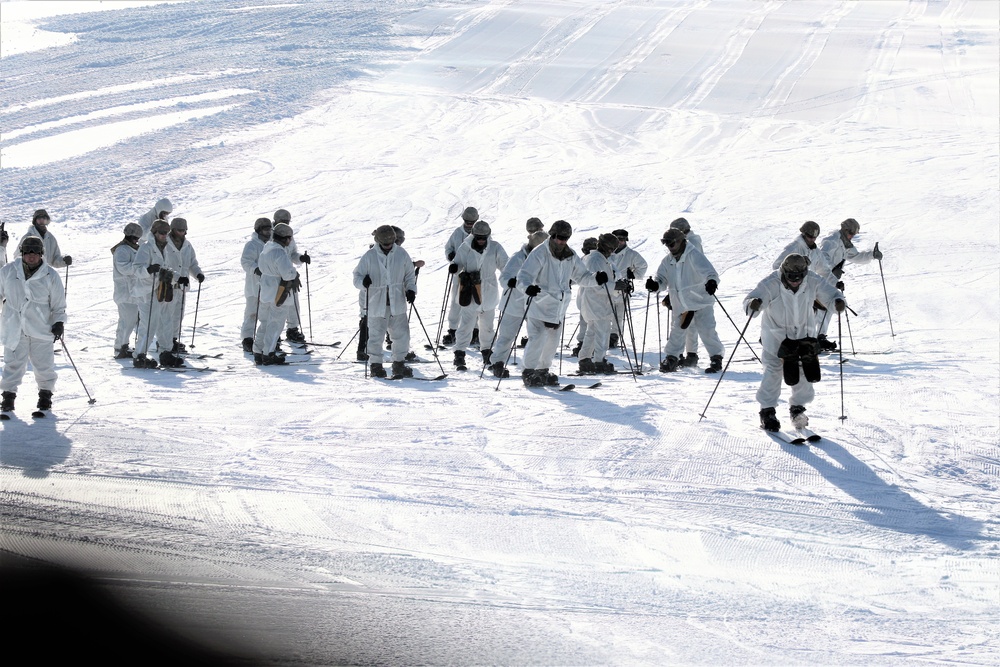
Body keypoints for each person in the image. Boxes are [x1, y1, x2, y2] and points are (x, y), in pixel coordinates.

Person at [744, 253, 845, 432]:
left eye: (799, 278)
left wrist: (838, 301)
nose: (795, 281)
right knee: (773, 372)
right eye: (791, 278)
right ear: (784, 272)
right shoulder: (771, 283)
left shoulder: (812, 280)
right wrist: (753, 304)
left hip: (803, 337)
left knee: (804, 372)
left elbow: (831, 294)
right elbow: (751, 300)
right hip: (775, 338)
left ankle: (797, 409)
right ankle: (767, 412)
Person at [516, 220, 607, 387]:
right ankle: (528, 371)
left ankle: (542, 370)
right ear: (552, 235)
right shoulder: (539, 253)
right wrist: (528, 287)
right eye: (559, 237)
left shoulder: (570, 256)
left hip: (558, 307)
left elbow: (582, 276)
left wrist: (596, 279)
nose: (561, 241)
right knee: (537, 338)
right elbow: (524, 276)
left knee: (552, 341)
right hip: (539, 304)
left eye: (565, 238)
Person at [1, 236, 67, 416]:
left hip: (41, 326)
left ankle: (45, 397)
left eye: (35, 252)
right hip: (14, 325)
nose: (31, 256)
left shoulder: (50, 275)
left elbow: (59, 303)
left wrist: (59, 321)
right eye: (27, 252)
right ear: (22, 252)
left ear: (41, 254)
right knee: (12, 364)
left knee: (43, 364)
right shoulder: (8, 271)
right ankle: (8, 397)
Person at [645, 228, 724, 373]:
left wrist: (712, 282)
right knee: (677, 332)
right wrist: (655, 285)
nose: (669, 247)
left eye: (671, 243)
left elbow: (710, 272)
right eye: (666, 243)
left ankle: (716, 358)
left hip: (700, 301)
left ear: (681, 241)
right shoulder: (667, 260)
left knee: (707, 330)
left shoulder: (693, 255)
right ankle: (671, 358)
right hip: (681, 305)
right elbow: (661, 280)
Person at [353, 225, 417, 378]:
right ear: (378, 241)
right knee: (375, 336)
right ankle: (375, 366)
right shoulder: (369, 256)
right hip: (376, 303)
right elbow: (356, 277)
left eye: (390, 243)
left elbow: (409, 275)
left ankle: (399, 365)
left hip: (397, 302)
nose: (388, 246)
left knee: (401, 335)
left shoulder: (401, 254)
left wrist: (411, 290)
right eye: (385, 243)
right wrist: (363, 282)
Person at [815, 217, 882, 350]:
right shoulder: (831, 241)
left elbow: (855, 256)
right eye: (851, 234)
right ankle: (813, 339)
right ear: (845, 230)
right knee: (821, 308)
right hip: (820, 279)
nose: (852, 237)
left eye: (854, 235)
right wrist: (833, 271)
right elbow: (822, 257)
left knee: (828, 307)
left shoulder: (845, 244)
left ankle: (819, 338)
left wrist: (871, 255)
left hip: (830, 280)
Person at [450, 220, 508, 370]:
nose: (481, 240)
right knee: (466, 324)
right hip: (469, 289)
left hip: (488, 290)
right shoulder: (466, 246)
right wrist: (455, 267)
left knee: (487, 326)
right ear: (474, 235)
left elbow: (505, 266)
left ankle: (487, 352)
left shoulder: (495, 247)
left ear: (488, 235)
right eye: (478, 237)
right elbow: (458, 263)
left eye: (483, 237)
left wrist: (511, 279)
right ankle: (460, 353)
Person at [490, 230, 548, 378]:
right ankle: (497, 362)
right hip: (514, 303)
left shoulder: (547, 258)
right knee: (507, 335)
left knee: (537, 336)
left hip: (536, 303)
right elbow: (504, 277)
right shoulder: (518, 257)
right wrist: (510, 282)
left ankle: (534, 367)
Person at [131, 219, 178, 368]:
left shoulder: (166, 248)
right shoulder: (146, 248)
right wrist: (148, 270)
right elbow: (136, 268)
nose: (164, 235)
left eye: (167, 233)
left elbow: (169, 267)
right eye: (162, 232)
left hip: (161, 291)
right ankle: (139, 355)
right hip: (146, 292)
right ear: (154, 232)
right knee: (149, 324)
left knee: (165, 321)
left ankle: (165, 353)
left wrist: (175, 277)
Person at [253, 223, 298, 365]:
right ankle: (269, 353)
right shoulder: (280, 252)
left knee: (265, 322)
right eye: (289, 238)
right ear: (285, 238)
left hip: (266, 290)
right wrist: (295, 274)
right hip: (279, 292)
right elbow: (287, 274)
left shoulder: (267, 248)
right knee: (276, 324)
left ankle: (258, 351)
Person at [577, 233, 623, 375]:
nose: (612, 251)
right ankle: (599, 361)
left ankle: (584, 359)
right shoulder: (596, 260)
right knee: (602, 332)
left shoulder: (600, 259)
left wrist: (616, 285)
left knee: (592, 331)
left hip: (597, 302)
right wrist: (615, 286)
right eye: (612, 248)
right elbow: (597, 284)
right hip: (596, 302)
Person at [161, 217, 204, 356]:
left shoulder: (187, 245)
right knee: (166, 316)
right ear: (172, 230)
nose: (183, 233)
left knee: (178, 316)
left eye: (185, 230)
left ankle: (173, 339)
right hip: (169, 287)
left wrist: (197, 274)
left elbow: (192, 263)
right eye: (180, 230)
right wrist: (176, 278)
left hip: (182, 287)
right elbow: (164, 265)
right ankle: (164, 341)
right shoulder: (164, 244)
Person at [441, 206, 478, 345]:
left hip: (475, 274)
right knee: (456, 301)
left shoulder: (481, 233)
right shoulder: (457, 233)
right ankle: (453, 329)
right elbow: (448, 247)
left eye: (471, 222)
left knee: (477, 301)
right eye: (467, 221)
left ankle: (476, 330)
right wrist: (451, 256)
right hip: (459, 274)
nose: (469, 224)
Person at [273, 208, 310, 345]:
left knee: (293, 302)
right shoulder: (271, 236)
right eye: (282, 221)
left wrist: (301, 258)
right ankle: (274, 332)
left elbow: (292, 254)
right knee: (276, 303)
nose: (284, 224)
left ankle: (292, 329)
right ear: (275, 220)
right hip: (276, 276)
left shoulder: (288, 234)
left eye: (287, 221)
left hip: (289, 274)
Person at [670, 217, 704, 367]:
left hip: (690, 288)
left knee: (686, 322)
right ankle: (688, 354)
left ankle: (686, 355)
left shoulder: (691, 243)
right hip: (688, 287)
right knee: (688, 322)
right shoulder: (692, 241)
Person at [607, 229, 647, 351]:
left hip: (622, 289)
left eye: (623, 239)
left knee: (619, 315)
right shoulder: (606, 252)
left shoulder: (631, 254)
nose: (620, 242)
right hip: (607, 288)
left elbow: (643, 266)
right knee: (604, 314)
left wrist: (632, 275)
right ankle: (601, 336)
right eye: (618, 239)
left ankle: (614, 336)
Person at [111, 223, 143, 359]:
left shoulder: (135, 249)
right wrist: (140, 268)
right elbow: (123, 268)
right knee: (126, 320)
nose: (136, 240)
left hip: (134, 292)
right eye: (135, 237)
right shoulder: (122, 250)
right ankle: (120, 347)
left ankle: (124, 345)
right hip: (125, 292)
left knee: (132, 320)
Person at [240, 217, 272, 352]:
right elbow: (245, 262)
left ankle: (265, 339)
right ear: (258, 230)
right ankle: (247, 338)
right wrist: (255, 269)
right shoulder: (252, 245)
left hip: (269, 286)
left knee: (268, 314)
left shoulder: (272, 245)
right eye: (265, 230)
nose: (268, 232)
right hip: (254, 286)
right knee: (252, 312)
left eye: (269, 229)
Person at [570, 236, 599, 357]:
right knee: (585, 319)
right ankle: (583, 343)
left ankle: (590, 345)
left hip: (595, 295)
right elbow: (576, 276)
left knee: (591, 321)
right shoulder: (583, 259)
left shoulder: (596, 259)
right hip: (584, 294)